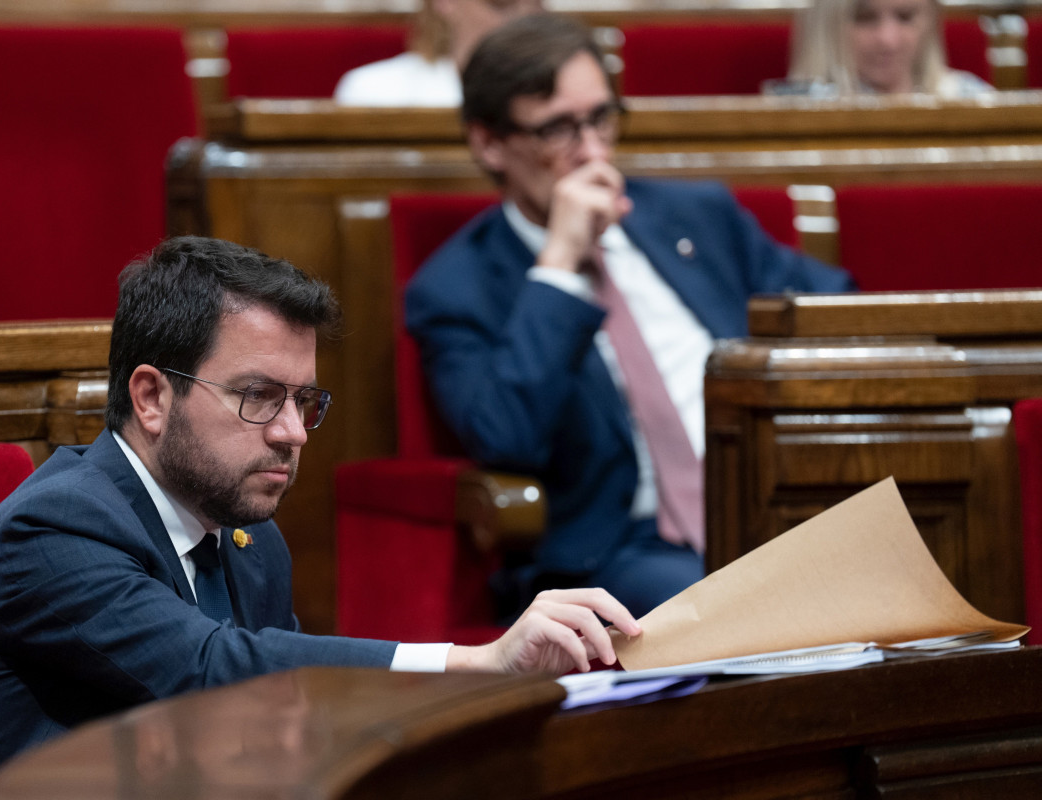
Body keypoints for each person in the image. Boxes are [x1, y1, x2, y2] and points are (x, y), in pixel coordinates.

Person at [0, 236, 641, 799]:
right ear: (151, 398)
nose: (292, 432)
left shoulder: (249, 535)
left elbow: (280, 727)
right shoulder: (54, 530)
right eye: (259, 396)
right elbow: (216, 672)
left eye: (305, 402)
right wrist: (474, 662)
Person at [404, 14, 855, 621]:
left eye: (600, 118)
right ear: (489, 143)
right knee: (736, 610)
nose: (592, 151)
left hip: (770, 508)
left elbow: (834, 310)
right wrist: (560, 264)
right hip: (619, 549)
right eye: (559, 129)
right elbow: (505, 434)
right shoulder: (455, 287)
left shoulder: (695, 216)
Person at [334, 0, 542, 106]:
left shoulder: (564, 89)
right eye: (500, 3)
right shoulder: (374, 92)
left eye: (536, 1)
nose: (526, 17)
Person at [772, 0, 994, 97]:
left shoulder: (973, 100)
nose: (888, 40)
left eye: (905, 17)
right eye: (865, 18)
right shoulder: (789, 116)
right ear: (827, 23)